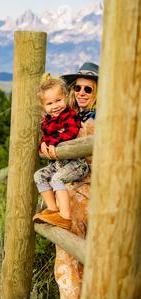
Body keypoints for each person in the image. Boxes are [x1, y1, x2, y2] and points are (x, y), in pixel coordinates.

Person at [53, 62, 99, 299]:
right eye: (78, 88)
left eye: (88, 89)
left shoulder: (97, 121)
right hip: (81, 189)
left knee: (70, 249)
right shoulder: (73, 117)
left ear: (97, 93)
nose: (81, 92)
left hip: (90, 190)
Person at [32, 73, 89, 230]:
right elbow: (47, 137)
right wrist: (43, 143)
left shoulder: (70, 116)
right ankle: (53, 209)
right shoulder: (47, 122)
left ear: (65, 97)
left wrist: (51, 142)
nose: (55, 106)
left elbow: (70, 132)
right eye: (50, 103)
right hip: (60, 164)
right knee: (39, 176)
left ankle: (65, 217)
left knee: (57, 178)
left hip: (77, 164)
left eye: (58, 100)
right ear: (43, 107)